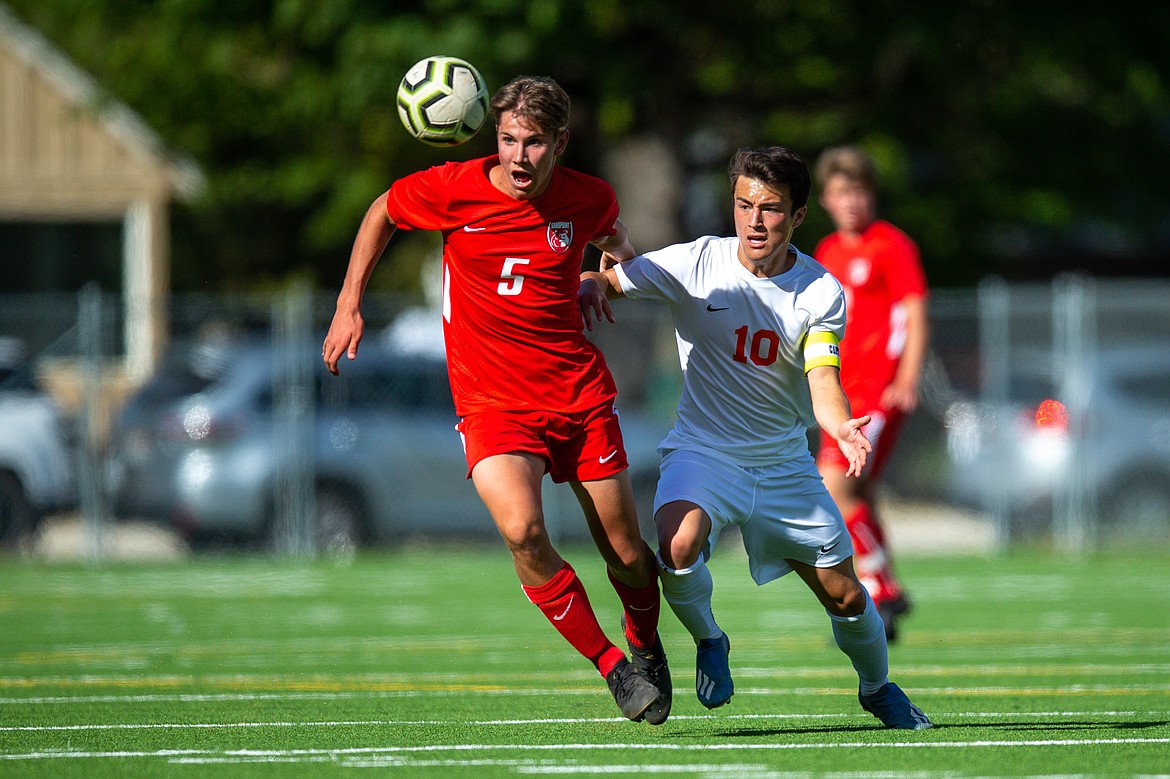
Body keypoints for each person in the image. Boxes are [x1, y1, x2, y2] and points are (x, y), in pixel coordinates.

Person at [322, 75, 670, 725]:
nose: (517, 156)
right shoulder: (452, 187)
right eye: (507, 139)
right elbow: (382, 213)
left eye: (534, 142)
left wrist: (604, 276)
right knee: (522, 530)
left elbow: (617, 240)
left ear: (559, 143)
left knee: (626, 550)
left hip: (578, 395)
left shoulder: (588, 197)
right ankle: (612, 668)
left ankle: (646, 644)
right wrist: (349, 305)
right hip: (492, 403)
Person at [578, 145, 932, 729]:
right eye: (744, 205)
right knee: (677, 544)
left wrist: (839, 423)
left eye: (770, 208)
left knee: (845, 595)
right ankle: (710, 640)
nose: (754, 221)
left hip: (782, 463)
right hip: (704, 452)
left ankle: (878, 687)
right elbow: (613, 278)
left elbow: (822, 376)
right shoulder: (698, 261)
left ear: (797, 217)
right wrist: (593, 282)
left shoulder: (819, 291)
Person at [812, 146, 930, 642]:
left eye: (859, 191)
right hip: (842, 391)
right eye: (841, 192)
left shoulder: (890, 244)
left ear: (872, 195)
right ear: (825, 200)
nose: (851, 201)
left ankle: (877, 588)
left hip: (877, 392)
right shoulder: (826, 252)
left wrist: (907, 377)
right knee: (859, 491)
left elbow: (915, 310)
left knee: (836, 487)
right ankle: (891, 587)